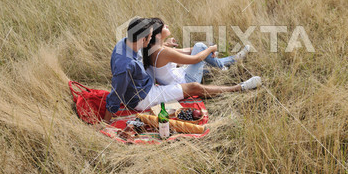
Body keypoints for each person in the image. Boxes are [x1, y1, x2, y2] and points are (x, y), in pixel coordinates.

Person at [103, 17, 261, 123]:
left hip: (147, 83)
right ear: (143, 39)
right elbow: (116, 93)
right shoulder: (124, 65)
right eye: (150, 38)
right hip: (143, 97)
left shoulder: (127, 42)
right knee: (194, 87)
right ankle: (239, 87)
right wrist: (105, 122)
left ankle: (227, 64)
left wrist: (165, 45)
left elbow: (155, 51)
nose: (152, 40)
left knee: (202, 68)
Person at [143, 17, 250, 85]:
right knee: (200, 47)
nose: (167, 26)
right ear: (158, 35)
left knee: (201, 51)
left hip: (178, 77)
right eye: (164, 26)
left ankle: (222, 66)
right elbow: (195, 59)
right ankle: (229, 61)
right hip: (187, 82)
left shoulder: (153, 49)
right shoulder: (163, 53)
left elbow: (183, 52)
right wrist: (210, 49)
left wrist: (205, 50)